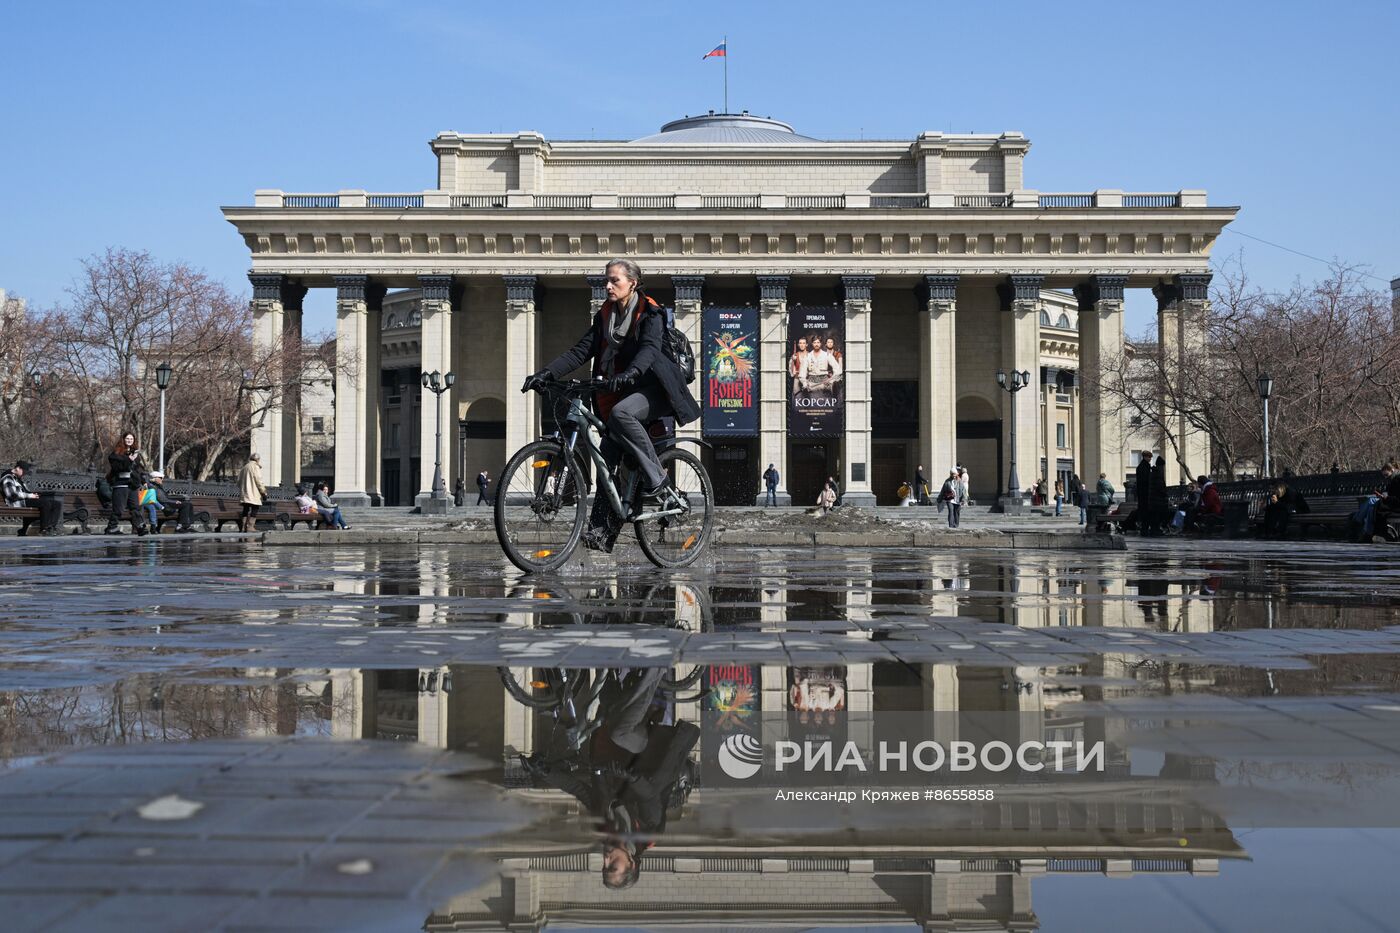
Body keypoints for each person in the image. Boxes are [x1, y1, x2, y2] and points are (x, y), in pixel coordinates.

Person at [524, 259, 701, 553]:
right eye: (607, 280)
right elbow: (582, 350)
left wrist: (630, 373)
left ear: (632, 283)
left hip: (654, 388)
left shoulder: (650, 313)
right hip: (621, 389)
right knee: (606, 458)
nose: (607, 285)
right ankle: (600, 534)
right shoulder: (605, 316)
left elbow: (649, 351)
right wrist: (547, 373)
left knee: (622, 413)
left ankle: (658, 480)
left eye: (614, 280)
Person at [2, 460, 63, 535]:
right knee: (45, 503)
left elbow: (26, 491)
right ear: (18, 468)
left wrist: (35, 494)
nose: (24, 474)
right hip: (16, 502)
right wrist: (30, 495)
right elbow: (12, 494)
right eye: (23, 472)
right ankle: (43, 529)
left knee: (56, 504)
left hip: (24, 500)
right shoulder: (7, 477)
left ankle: (51, 527)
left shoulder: (18, 478)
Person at [104, 431, 146, 535]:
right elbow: (117, 468)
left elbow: (138, 469)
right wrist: (128, 459)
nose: (129, 441)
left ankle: (139, 527)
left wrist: (143, 480)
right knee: (118, 508)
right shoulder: (116, 453)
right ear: (123, 439)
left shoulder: (135, 453)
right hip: (121, 484)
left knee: (135, 507)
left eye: (131, 439)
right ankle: (111, 528)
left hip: (132, 485)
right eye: (127, 439)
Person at [239, 452, 268, 533]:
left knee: (245, 509)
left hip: (245, 493)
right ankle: (250, 527)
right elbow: (259, 481)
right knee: (255, 508)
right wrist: (263, 492)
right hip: (253, 493)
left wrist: (244, 488)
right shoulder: (255, 467)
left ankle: (243, 527)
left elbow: (238, 482)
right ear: (257, 460)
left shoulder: (244, 467)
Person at [1134, 451, 1155, 537]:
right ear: (1145, 457)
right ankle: (1145, 528)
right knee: (1145, 511)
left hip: (1142, 493)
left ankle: (1144, 527)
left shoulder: (1141, 466)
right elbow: (1146, 480)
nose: (1150, 459)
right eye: (1149, 457)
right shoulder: (1144, 467)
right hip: (1145, 493)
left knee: (1144, 511)